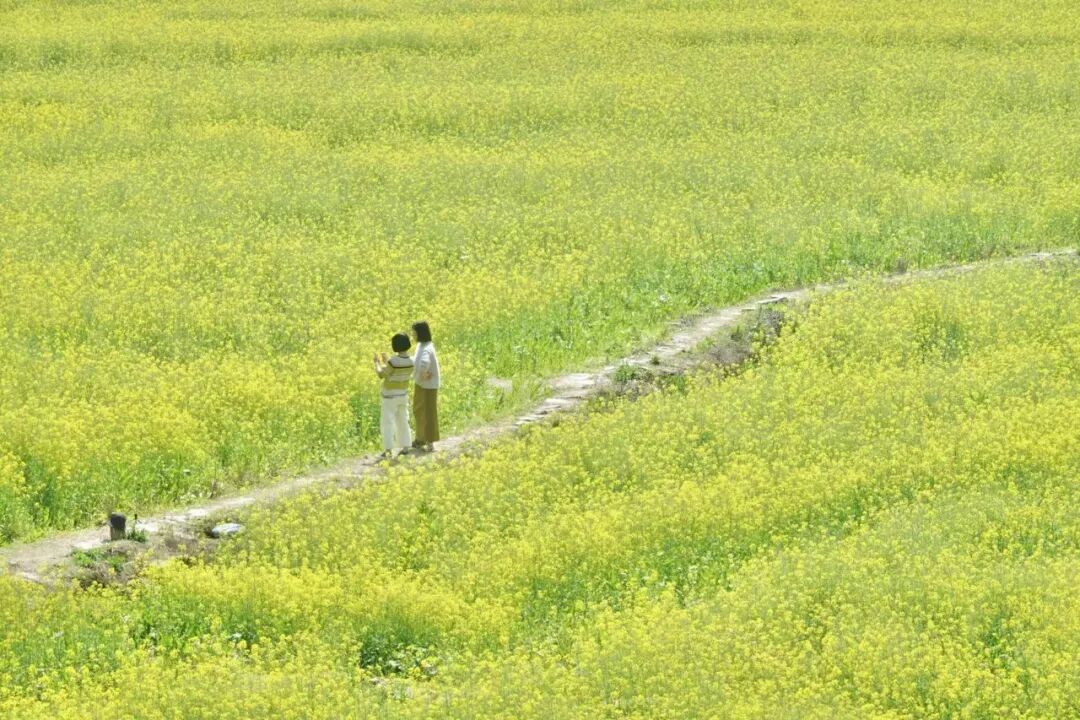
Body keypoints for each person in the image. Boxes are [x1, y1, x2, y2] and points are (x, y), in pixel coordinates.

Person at [374, 333, 414, 458]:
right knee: (403, 420)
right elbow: (395, 371)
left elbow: (382, 374)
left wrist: (377, 363)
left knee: (387, 422)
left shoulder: (393, 361)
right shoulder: (411, 361)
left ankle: (388, 449)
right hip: (402, 395)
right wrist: (387, 361)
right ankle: (406, 446)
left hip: (389, 397)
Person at [410, 321, 440, 452]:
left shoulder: (427, 347)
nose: (413, 335)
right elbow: (417, 360)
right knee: (418, 410)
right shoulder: (421, 345)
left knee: (428, 413)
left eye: (414, 333)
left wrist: (423, 374)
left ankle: (429, 442)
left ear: (420, 333)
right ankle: (420, 438)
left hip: (428, 386)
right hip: (421, 384)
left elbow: (424, 363)